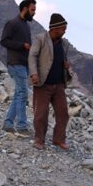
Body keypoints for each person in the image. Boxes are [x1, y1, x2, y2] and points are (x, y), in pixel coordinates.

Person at [28, 13, 71, 150]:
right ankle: (39, 139)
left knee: (63, 113)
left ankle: (58, 139)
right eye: (63, 29)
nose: (64, 31)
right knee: (41, 114)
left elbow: (63, 60)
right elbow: (32, 56)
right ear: (55, 28)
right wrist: (34, 73)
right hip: (43, 83)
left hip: (59, 84)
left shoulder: (64, 44)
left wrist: (66, 66)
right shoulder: (40, 39)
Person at [0, 0, 36, 135]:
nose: (34, 13)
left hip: (23, 64)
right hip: (15, 63)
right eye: (32, 10)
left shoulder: (26, 25)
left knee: (18, 94)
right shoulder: (12, 23)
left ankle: (8, 123)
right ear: (25, 9)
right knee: (23, 93)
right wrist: (22, 45)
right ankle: (21, 126)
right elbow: (4, 41)